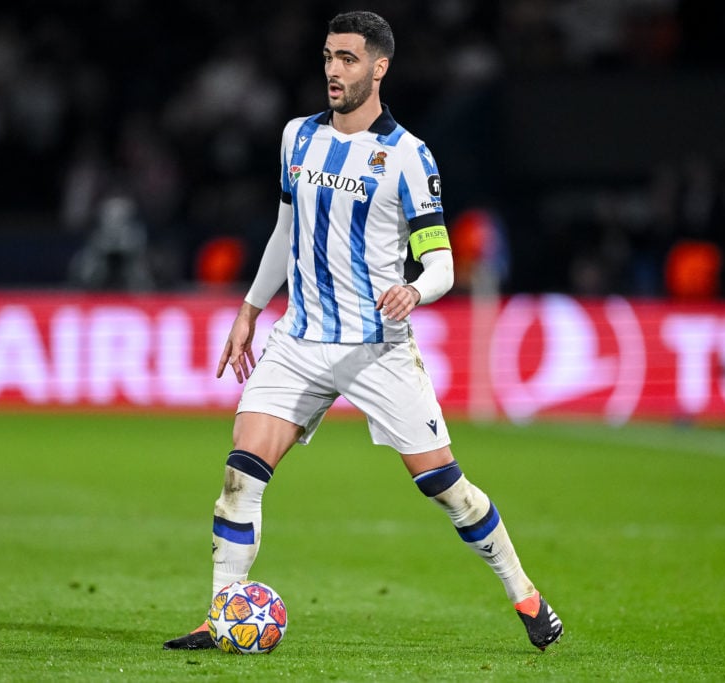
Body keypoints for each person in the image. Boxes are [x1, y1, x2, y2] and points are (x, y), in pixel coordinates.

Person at [163, 11, 563, 652]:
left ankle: (524, 591)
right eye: (327, 56)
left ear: (379, 68)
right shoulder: (298, 137)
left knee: (446, 488)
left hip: (376, 346)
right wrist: (249, 309)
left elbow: (441, 263)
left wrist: (416, 289)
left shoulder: (408, 157)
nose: (332, 69)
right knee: (241, 474)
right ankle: (222, 617)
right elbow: (285, 232)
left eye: (347, 59)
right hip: (299, 340)